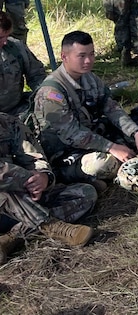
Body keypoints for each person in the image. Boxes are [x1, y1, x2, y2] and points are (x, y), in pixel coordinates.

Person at [29, 31, 138, 188]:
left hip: (91, 136)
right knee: (103, 164)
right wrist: (111, 147)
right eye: (81, 56)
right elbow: (71, 134)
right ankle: (68, 175)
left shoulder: (89, 78)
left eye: (92, 54)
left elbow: (111, 108)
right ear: (64, 57)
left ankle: (129, 158)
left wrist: (135, 132)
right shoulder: (51, 93)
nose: (88, 60)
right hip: (64, 151)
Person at [0, 111, 97, 262]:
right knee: (5, 185)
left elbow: (33, 156)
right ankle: (50, 225)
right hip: (8, 198)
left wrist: (43, 177)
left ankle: (12, 237)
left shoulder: (8, 123)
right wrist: (27, 178)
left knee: (85, 193)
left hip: (21, 204)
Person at [0, 11, 46, 116]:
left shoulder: (16, 48)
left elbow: (37, 75)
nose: (5, 42)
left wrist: (43, 96)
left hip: (17, 110)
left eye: (7, 36)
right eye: (0, 38)